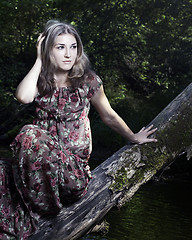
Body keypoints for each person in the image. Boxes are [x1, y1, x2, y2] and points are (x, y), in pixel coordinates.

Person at [0, 20, 157, 239]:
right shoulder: (42, 81)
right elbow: (23, 97)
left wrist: (133, 137)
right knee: (1, 169)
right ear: (48, 50)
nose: (68, 54)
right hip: (41, 171)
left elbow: (108, 116)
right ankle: (26, 220)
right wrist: (38, 59)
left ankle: (44, 211)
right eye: (60, 47)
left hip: (71, 174)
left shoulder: (87, 81)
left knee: (29, 133)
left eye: (73, 47)